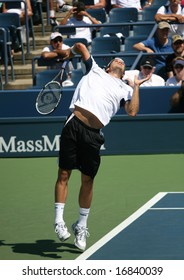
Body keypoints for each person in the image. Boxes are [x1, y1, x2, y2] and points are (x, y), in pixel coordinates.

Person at [53, 42, 151, 251]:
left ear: (124, 72)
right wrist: (70, 54)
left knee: (87, 180)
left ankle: (81, 225)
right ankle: (59, 221)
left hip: (93, 134)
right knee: (63, 173)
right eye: (117, 59)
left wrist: (136, 87)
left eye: (123, 62)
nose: (120, 61)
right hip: (74, 124)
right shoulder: (94, 69)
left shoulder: (125, 88)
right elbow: (80, 45)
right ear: (108, 66)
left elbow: (132, 111)